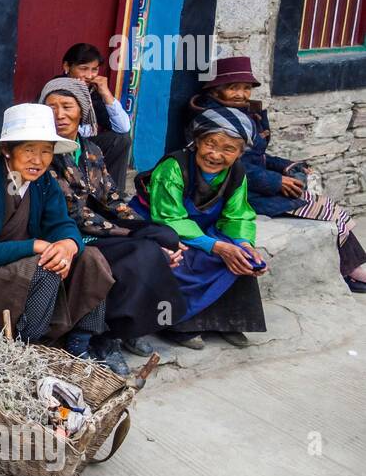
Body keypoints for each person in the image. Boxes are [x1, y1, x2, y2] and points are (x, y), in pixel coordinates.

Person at [0, 103, 115, 358]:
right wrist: (37, 246)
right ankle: (26, 347)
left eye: (46, 152)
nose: (38, 161)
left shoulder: (43, 183)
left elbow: (61, 224)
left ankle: (79, 345)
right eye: (29, 150)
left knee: (90, 257)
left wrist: (69, 244)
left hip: (17, 266)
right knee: (46, 268)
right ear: (7, 150)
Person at [39, 78, 187, 374]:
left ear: (82, 111)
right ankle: (104, 337)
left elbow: (112, 198)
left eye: (67, 107)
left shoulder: (91, 150)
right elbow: (73, 213)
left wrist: (148, 230)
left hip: (99, 227)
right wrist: (134, 235)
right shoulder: (42, 154)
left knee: (166, 238)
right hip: (68, 234)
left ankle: (131, 327)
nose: (59, 115)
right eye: (51, 107)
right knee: (139, 253)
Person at [188, 56, 366, 294]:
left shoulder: (248, 114)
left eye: (246, 88)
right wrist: (275, 182)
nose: (241, 94)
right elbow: (230, 165)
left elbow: (258, 156)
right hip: (235, 190)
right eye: (233, 88)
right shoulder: (216, 121)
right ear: (216, 91)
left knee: (329, 207)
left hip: (256, 183)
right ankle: (353, 270)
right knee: (326, 209)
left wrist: (287, 167)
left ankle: (353, 268)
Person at [131, 107, 269, 349]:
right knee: (181, 257)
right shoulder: (173, 167)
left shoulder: (237, 174)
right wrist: (215, 246)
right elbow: (168, 217)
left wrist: (244, 244)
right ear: (197, 141)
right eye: (210, 144)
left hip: (203, 228)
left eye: (229, 149)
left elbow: (237, 217)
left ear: (240, 153)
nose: (216, 155)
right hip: (160, 227)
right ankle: (178, 325)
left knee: (240, 258)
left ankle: (225, 321)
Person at [61, 43, 133, 190]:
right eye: (83, 69)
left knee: (121, 139)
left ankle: (113, 194)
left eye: (94, 70)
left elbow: (123, 127)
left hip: (86, 147)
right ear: (67, 67)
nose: (89, 76)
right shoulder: (56, 90)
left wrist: (105, 93)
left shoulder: (94, 93)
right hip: (62, 148)